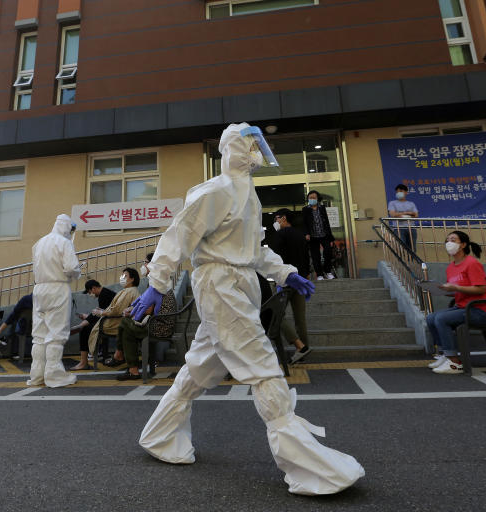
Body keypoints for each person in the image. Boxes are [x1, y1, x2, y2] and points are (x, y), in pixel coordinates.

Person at [129, 122, 364, 496]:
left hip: (238, 282)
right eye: (251, 144)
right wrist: (157, 284)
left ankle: (160, 435)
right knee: (262, 365)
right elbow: (179, 233)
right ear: (234, 148)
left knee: (200, 366)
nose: (257, 151)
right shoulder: (216, 190)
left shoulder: (247, 195)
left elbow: (255, 249)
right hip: (220, 283)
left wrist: (286, 273)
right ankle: (310, 468)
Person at [426, 231, 486, 375]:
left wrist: (456, 287)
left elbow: (481, 288)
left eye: (453, 239)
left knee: (441, 318)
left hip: (481, 310)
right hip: (463, 307)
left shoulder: (472, 263)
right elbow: (460, 290)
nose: (449, 243)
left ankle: (455, 362)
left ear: (463, 244)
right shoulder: (450, 267)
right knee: (431, 318)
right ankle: (445, 354)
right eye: (447, 240)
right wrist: (444, 291)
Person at [27, 214, 82, 388]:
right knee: (56, 334)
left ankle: (36, 376)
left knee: (39, 335)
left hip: (39, 289)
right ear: (66, 227)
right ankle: (54, 376)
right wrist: (76, 273)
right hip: (58, 288)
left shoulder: (39, 243)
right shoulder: (64, 242)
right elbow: (72, 267)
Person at [269, 209, 312, 363]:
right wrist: (307, 273)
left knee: (276, 314)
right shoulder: (300, 234)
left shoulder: (280, 235)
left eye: (276, 218)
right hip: (300, 280)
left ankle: (299, 346)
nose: (275, 221)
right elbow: (306, 255)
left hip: (285, 280)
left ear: (284, 218)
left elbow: (274, 257)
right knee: (300, 318)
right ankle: (304, 349)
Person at [115, 288, 178, 380]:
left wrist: (131, 313)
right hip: (166, 327)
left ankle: (126, 362)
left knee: (125, 323)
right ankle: (124, 360)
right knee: (127, 331)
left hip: (157, 328)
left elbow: (147, 310)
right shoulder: (165, 287)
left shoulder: (156, 288)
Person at [86, 268, 141, 366]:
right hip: (120, 320)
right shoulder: (129, 290)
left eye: (125, 276)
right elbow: (116, 308)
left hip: (117, 322)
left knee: (89, 328)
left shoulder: (129, 291)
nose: (122, 278)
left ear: (132, 279)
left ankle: (92, 355)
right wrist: (103, 312)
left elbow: (116, 310)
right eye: (122, 275)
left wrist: (102, 313)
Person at [68, 279, 117, 371]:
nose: (90, 294)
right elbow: (101, 312)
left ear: (93, 288)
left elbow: (100, 314)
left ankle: (83, 362)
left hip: (111, 323)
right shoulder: (105, 293)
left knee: (84, 330)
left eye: (89, 292)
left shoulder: (104, 294)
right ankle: (85, 361)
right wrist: (86, 320)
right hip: (110, 320)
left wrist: (83, 324)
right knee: (85, 325)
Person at [0, 292, 35, 359]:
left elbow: (12, 315)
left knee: (15, 320)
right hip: (43, 328)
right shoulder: (48, 299)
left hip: (26, 329)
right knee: (16, 320)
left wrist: (0, 329)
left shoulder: (26, 299)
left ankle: (6, 338)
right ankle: (5, 338)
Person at [302, 190, 336, 281]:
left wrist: (331, 237)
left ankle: (328, 271)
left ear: (318, 199)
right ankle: (319, 274)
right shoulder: (305, 209)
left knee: (328, 252)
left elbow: (326, 222)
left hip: (324, 235)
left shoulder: (322, 208)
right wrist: (306, 234)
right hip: (312, 237)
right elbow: (304, 223)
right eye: (310, 198)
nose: (312, 199)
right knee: (315, 256)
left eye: (314, 197)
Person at [387, 183, 419, 250]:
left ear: (406, 192)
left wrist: (400, 214)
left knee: (412, 249)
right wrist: (408, 213)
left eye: (401, 191)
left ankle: (411, 260)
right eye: (397, 192)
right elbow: (392, 214)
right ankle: (402, 261)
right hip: (398, 228)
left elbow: (416, 215)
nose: (399, 193)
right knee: (400, 248)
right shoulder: (392, 203)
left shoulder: (411, 204)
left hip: (411, 228)